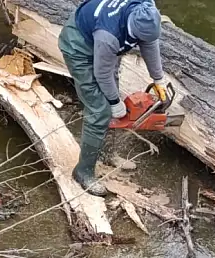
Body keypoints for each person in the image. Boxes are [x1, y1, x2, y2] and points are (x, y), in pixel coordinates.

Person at [58, 0, 167, 197]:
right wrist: (114, 103)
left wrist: (158, 79)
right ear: (132, 28)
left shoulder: (146, 9)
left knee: (112, 97)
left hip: (105, 44)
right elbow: (101, 74)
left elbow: (149, 44)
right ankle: (83, 172)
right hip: (79, 47)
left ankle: (107, 154)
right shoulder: (109, 36)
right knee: (100, 110)